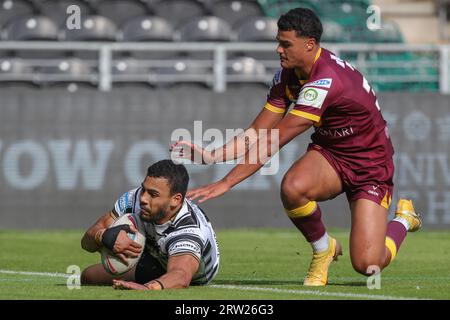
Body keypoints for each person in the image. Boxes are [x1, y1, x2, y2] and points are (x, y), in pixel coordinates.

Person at [170, 8, 422, 286]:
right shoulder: (287, 76)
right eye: (278, 42)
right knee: (293, 187)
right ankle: (323, 248)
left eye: (286, 44)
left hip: (370, 166)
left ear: (310, 44)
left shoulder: (325, 81)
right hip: (332, 154)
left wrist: (227, 183)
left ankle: (403, 220)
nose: (279, 50)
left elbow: (271, 142)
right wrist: (213, 155)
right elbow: (257, 131)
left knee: (367, 265)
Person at [80, 159, 220, 290]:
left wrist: (148, 288)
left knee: (168, 278)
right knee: (88, 276)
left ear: (176, 200)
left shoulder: (187, 229)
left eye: (153, 194)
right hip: (156, 253)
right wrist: (103, 235)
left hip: (192, 273)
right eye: (143, 189)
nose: (143, 199)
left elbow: (181, 275)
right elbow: (86, 242)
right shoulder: (133, 199)